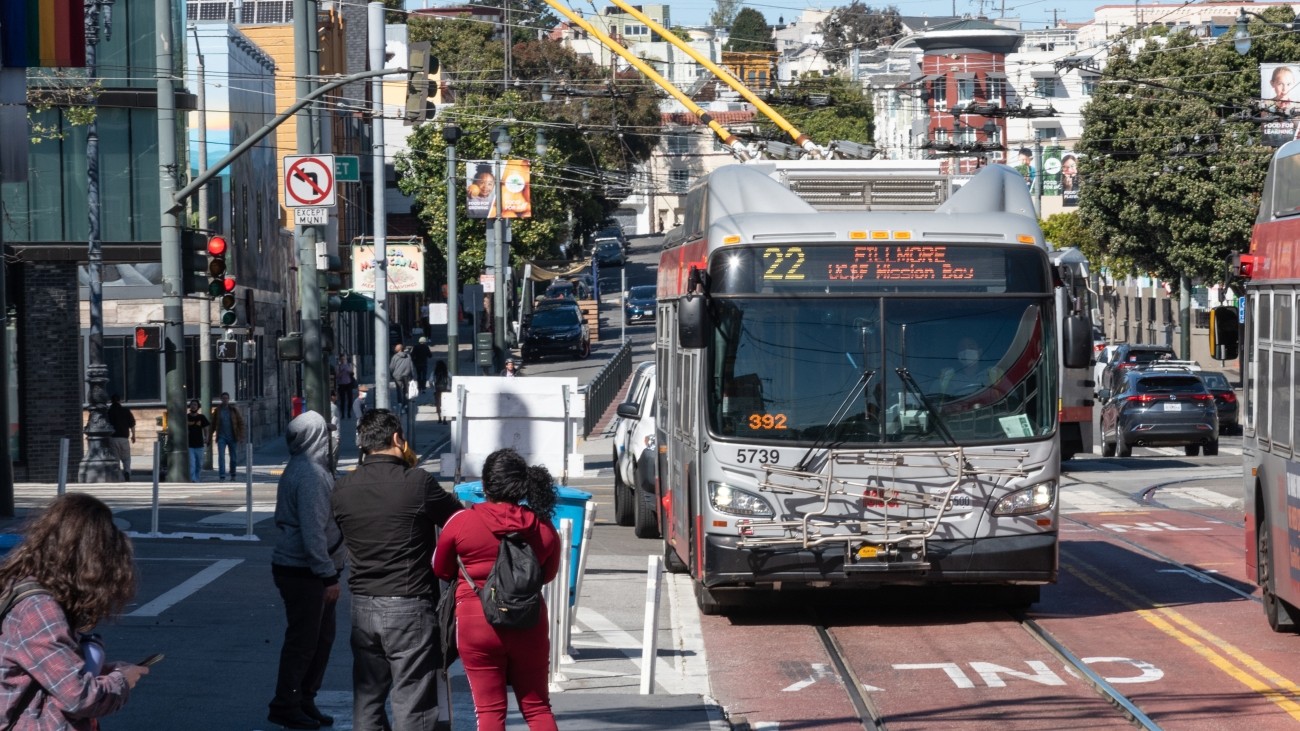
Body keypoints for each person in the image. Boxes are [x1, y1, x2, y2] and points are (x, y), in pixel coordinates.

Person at [331, 409, 462, 731]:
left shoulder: (343, 488)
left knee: (368, 698)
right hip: (409, 602)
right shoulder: (416, 482)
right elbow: (457, 521)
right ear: (396, 439)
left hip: (362, 603)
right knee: (412, 699)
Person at [432, 448, 561, 731]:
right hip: (528, 620)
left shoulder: (461, 522)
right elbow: (548, 575)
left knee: (489, 711)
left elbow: (440, 569)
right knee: (538, 707)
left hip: (477, 622)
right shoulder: (543, 526)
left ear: (485, 485)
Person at [0, 493, 149, 730]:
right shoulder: (39, 609)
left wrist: (106, 671)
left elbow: (49, 670)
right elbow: (79, 696)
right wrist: (121, 681)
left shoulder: (29, 590)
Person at [268, 412, 346, 730]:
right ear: (315, 437)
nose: (331, 437)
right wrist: (327, 574)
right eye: (326, 432)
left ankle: (303, 699)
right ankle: (287, 704)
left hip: (307, 568)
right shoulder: (311, 474)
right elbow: (313, 531)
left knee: (319, 639)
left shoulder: (313, 469)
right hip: (304, 570)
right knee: (304, 642)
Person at [937, 336, 1001, 398]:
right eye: (962, 348)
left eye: (971, 347)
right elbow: (935, 402)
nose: (966, 350)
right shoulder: (946, 377)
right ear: (958, 355)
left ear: (979, 352)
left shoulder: (994, 374)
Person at [210, 392, 246, 481]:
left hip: (232, 436)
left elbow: (240, 423)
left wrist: (241, 436)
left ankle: (233, 473)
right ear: (221, 399)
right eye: (223, 398)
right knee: (221, 456)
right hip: (221, 437)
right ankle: (222, 475)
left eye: (226, 398)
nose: (225, 400)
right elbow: (213, 424)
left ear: (228, 399)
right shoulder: (217, 411)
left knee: (233, 457)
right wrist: (209, 436)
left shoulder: (233, 410)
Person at [105, 394, 135, 481]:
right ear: (119, 400)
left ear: (111, 401)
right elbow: (132, 425)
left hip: (113, 438)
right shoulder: (126, 411)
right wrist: (133, 436)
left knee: (116, 459)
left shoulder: (108, 412)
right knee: (126, 458)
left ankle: (117, 475)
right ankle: (127, 472)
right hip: (124, 438)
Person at [185, 399, 210, 482]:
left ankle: (197, 478)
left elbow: (206, 428)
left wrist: (207, 437)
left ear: (198, 407)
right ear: (190, 406)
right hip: (189, 445)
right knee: (192, 464)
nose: (193, 406)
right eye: (192, 404)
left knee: (199, 464)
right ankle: (193, 479)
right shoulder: (186, 417)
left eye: (195, 405)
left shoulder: (201, 417)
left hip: (199, 444)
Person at [389, 343, 415, 414]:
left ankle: (400, 404)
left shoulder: (395, 357)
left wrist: (391, 375)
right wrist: (412, 376)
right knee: (406, 390)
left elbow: (391, 367)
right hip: (406, 375)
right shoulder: (408, 356)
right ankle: (405, 404)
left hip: (397, 376)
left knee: (399, 390)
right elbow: (411, 366)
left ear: (399, 349)